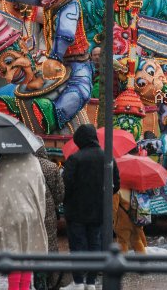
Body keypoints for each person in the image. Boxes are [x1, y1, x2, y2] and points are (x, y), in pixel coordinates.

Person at [63, 124, 118, 290]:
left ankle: (78, 281)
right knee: (96, 244)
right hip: (99, 210)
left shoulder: (74, 159)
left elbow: (66, 184)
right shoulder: (108, 158)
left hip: (76, 211)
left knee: (78, 246)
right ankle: (91, 282)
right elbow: (115, 185)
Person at [0, 154, 47, 290]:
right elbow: (40, 189)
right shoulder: (34, 162)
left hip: (7, 214)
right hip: (30, 215)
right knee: (27, 256)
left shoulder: (4, 162)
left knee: (13, 257)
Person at [34, 146, 66, 290]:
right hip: (48, 210)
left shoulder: (28, 165)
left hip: (32, 210)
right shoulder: (52, 167)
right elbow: (60, 192)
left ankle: (38, 280)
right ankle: (53, 281)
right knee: (50, 244)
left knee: (34, 245)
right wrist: (55, 202)